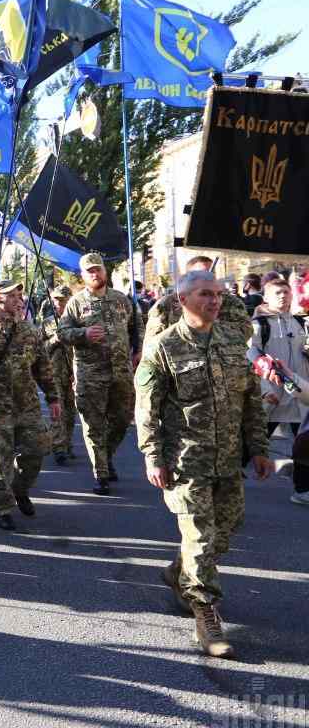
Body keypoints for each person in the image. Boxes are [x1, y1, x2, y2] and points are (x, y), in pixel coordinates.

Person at [135, 270, 274, 658]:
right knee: (199, 540)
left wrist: (259, 448)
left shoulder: (232, 341)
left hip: (228, 459)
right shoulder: (163, 347)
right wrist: (153, 456)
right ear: (182, 300)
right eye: (205, 294)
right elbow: (146, 410)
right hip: (186, 462)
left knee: (224, 531)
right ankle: (206, 617)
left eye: (218, 294)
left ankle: (178, 572)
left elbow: (250, 399)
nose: (215, 301)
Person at [0, 281, 60, 530]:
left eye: (19, 295)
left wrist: (53, 397)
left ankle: (20, 488)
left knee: (37, 450)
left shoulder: (27, 329)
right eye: (12, 296)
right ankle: (2, 508)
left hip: (27, 404)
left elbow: (42, 366)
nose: (19, 300)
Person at [58, 252, 141, 494]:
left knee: (123, 419)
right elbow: (62, 333)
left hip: (121, 372)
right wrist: (82, 334)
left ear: (105, 271)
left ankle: (106, 455)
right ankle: (101, 473)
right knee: (93, 425)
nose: (95, 274)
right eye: (90, 271)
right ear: (83, 276)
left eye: (98, 269)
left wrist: (139, 349)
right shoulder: (75, 303)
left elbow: (137, 326)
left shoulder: (122, 300)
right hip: (90, 374)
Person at [245, 277, 309, 503]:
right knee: (252, 440)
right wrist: (264, 389)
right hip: (271, 395)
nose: (283, 296)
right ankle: (227, 479)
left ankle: (303, 490)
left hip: (298, 396)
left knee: (305, 444)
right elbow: (251, 357)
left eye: (286, 292)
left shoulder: (300, 323)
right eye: (277, 293)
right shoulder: (258, 325)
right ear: (266, 298)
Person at [144, 256, 252, 347]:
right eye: (201, 274)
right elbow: (153, 341)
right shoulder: (166, 304)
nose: (208, 277)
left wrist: (211, 327)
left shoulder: (231, 302)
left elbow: (246, 331)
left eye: (212, 273)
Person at [43, 285, 77, 466]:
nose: (58, 304)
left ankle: (67, 443)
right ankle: (58, 447)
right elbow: (41, 350)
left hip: (74, 373)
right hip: (54, 372)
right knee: (58, 411)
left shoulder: (78, 321)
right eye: (56, 300)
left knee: (71, 412)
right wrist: (55, 339)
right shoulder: (48, 323)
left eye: (62, 300)